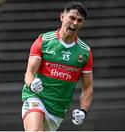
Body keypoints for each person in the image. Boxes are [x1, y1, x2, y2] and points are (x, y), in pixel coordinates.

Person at [21, 1, 93, 131]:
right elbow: (30, 72)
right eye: (72, 18)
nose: (75, 23)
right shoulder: (44, 41)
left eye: (79, 20)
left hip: (58, 109)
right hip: (36, 98)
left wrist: (84, 110)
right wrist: (32, 84)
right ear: (62, 17)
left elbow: (87, 87)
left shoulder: (85, 52)